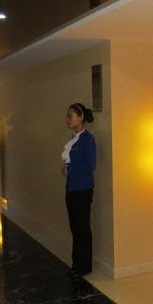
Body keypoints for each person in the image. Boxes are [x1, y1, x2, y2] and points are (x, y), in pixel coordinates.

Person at [61, 103, 96, 277]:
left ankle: (84, 266)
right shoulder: (74, 138)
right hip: (72, 188)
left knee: (82, 228)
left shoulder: (87, 139)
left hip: (82, 189)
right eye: (68, 116)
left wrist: (69, 170)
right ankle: (77, 264)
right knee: (75, 228)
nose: (68, 119)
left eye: (71, 116)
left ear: (81, 117)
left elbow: (90, 165)